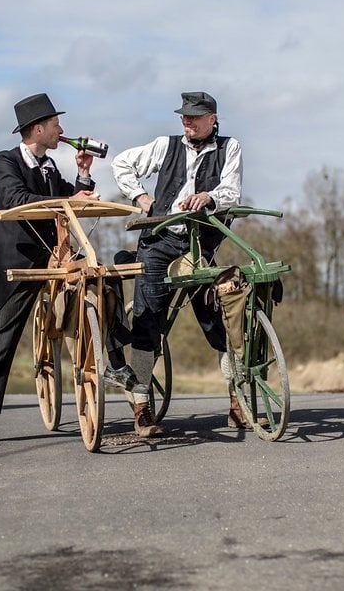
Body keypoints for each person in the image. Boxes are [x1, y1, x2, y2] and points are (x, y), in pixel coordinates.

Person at [109, 91, 250, 437]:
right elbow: (121, 164)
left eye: (195, 117)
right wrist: (141, 197)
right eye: (184, 117)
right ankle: (141, 407)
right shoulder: (165, 146)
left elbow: (232, 191)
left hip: (200, 243)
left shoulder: (230, 148)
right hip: (159, 240)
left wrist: (210, 197)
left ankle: (237, 404)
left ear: (213, 118)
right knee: (148, 316)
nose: (187, 122)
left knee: (217, 317)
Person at [0, 93, 97, 447]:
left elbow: (72, 200)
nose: (61, 131)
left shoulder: (50, 167)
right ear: (38, 129)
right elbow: (15, 200)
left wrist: (83, 175)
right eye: (55, 125)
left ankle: (110, 362)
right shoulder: (5, 161)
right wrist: (68, 200)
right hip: (18, 265)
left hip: (55, 260)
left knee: (98, 285)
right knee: (3, 339)